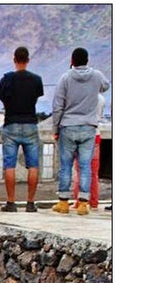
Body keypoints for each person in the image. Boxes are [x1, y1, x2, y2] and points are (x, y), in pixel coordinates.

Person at [52, 47, 110, 215]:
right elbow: (105, 86)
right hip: (89, 127)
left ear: (72, 61)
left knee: (66, 166)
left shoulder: (65, 78)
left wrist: (56, 128)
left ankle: (63, 202)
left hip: (68, 126)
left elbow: (57, 106)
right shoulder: (97, 76)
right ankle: (83, 203)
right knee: (85, 166)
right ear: (87, 60)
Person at [0, 46, 44, 213]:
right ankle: (30, 203)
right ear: (28, 60)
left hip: (11, 124)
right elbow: (36, 98)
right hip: (31, 124)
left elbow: (3, 101)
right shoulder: (36, 80)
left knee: (9, 165)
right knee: (33, 165)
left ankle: (11, 202)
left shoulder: (6, 80)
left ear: (14, 60)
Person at [72, 94, 105, 209]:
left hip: (81, 135)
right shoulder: (101, 98)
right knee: (94, 172)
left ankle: (79, 201)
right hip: (95, 134)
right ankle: (94, 201)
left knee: (80, 170)